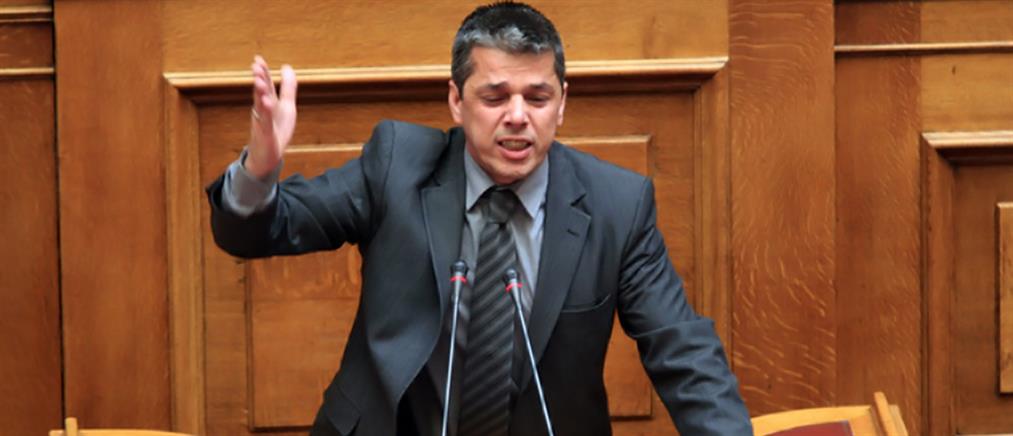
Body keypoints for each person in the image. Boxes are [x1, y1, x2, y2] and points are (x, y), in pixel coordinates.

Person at [206, 2, 751, 435]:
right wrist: (260, 170)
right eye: (495, 97)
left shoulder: (617, 204)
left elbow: (681, 347)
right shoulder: (397, 166)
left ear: (562, 104)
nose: (517, 116)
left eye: (537, 97)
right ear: (456, 101)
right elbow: (259, 231)